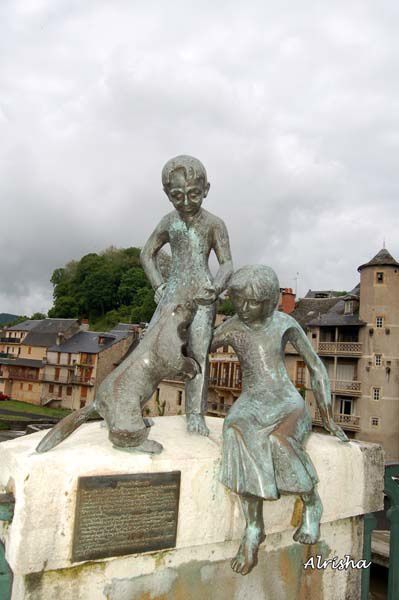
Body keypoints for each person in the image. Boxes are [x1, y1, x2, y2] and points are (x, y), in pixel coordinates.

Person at [211, 265, 348, 575]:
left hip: (287, 403)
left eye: (252, 302)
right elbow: (195, 348)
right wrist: (200, 308)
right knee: (234, 431)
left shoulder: (284, 323)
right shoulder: (232, 326)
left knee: (276, 440)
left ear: (271, 299)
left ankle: (311, 502)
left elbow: (316, 367)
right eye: (239, 301)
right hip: (251, 403)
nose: (244, 309)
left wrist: (327, 417)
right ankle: (253, 528)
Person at [140, 155, 233, 436]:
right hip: (172, 294)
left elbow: (227, 263)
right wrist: (158, 286)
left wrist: (216, 288)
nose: (186, 202)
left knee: (198, 355)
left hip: (203, 297)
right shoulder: (169, 222)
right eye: (177, 196)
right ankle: (133, 408)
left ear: (206, 189)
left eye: (193, 194)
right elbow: (146, 254)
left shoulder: (214, 223)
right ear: (167, 195)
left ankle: (195, 415)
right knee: (149, 352)